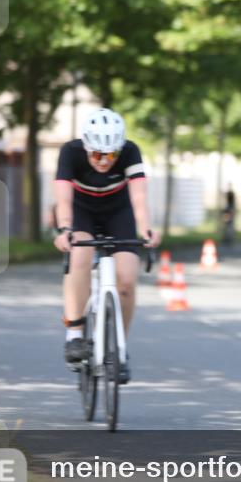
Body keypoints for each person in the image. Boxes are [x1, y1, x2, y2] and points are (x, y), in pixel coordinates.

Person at [53, 108, 161, 383]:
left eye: (111, 154)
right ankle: (75, 334)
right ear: (87, 148)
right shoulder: (70, 152)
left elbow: (138, 197)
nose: (104, 161)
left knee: (126, 280)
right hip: (81, 212)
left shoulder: (130, 151)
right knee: (81, 256)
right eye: (98, 154)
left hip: (118, 212)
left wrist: (146, 229)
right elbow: (63, 200)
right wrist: (65, 229)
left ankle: (118, 350)